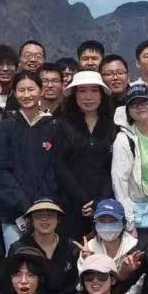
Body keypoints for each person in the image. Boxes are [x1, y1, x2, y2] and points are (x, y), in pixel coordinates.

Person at [0, 70, 62, 244]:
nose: (26, 95)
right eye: (21, 90)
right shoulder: (5, 126)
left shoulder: (54, 126)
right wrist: (24, 206)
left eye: (31, 89)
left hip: (47, 209)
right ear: (14, 93)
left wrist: (42, 204)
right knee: (17, 256)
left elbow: (56, 170)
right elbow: (2, 171)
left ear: (40, 90)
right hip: (14, 213)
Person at [55, 70, 116, 240]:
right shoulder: (61, 124)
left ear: (102, 94)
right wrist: (83, 200)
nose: (88, 97)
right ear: (74, 95)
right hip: (71, 203)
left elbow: (114, 168)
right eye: (82, 91)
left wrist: (100, 200)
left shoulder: (112, 125)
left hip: (105, 203)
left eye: (94, 90)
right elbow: (60, 166)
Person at [112, 84, 148, 234]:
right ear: (128, 110)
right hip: (136, 214)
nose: (140, 106)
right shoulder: (124, 139)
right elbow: (119, 182)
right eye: (134, 104)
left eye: (145, 102)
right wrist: (129, 222)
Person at [20, 197, 81, 294]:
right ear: (31, 220)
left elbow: (76, 285)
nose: (44, 219)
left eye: (50, 215)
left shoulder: (72, 247)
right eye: (39, 215)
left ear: (58, 219)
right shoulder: (19, 248)